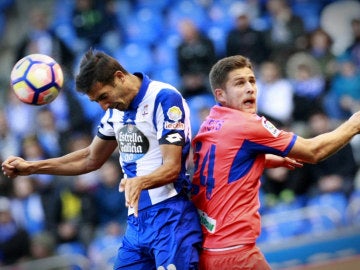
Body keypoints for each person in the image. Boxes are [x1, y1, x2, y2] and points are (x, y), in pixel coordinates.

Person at [2, 49, 202, 270]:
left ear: (119, 77)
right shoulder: (115, 112)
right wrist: (32, 167)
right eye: (96, 101)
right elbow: (90, 157)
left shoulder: (164, 97)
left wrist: (140, 182)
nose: (103, 107)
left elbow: (172, 167)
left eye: (104, 97)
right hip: (137, 222)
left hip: (171, 216)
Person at [190, 55, 360, 270]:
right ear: (220, 94)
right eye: (240, 83)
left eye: (252, 80)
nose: (250, 88)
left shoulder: (210, 122)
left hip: (210, 251)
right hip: (236, 254)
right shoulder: (247, 124)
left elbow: (222, 163)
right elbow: (314, 151)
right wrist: (354, 124)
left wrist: (263, 159)